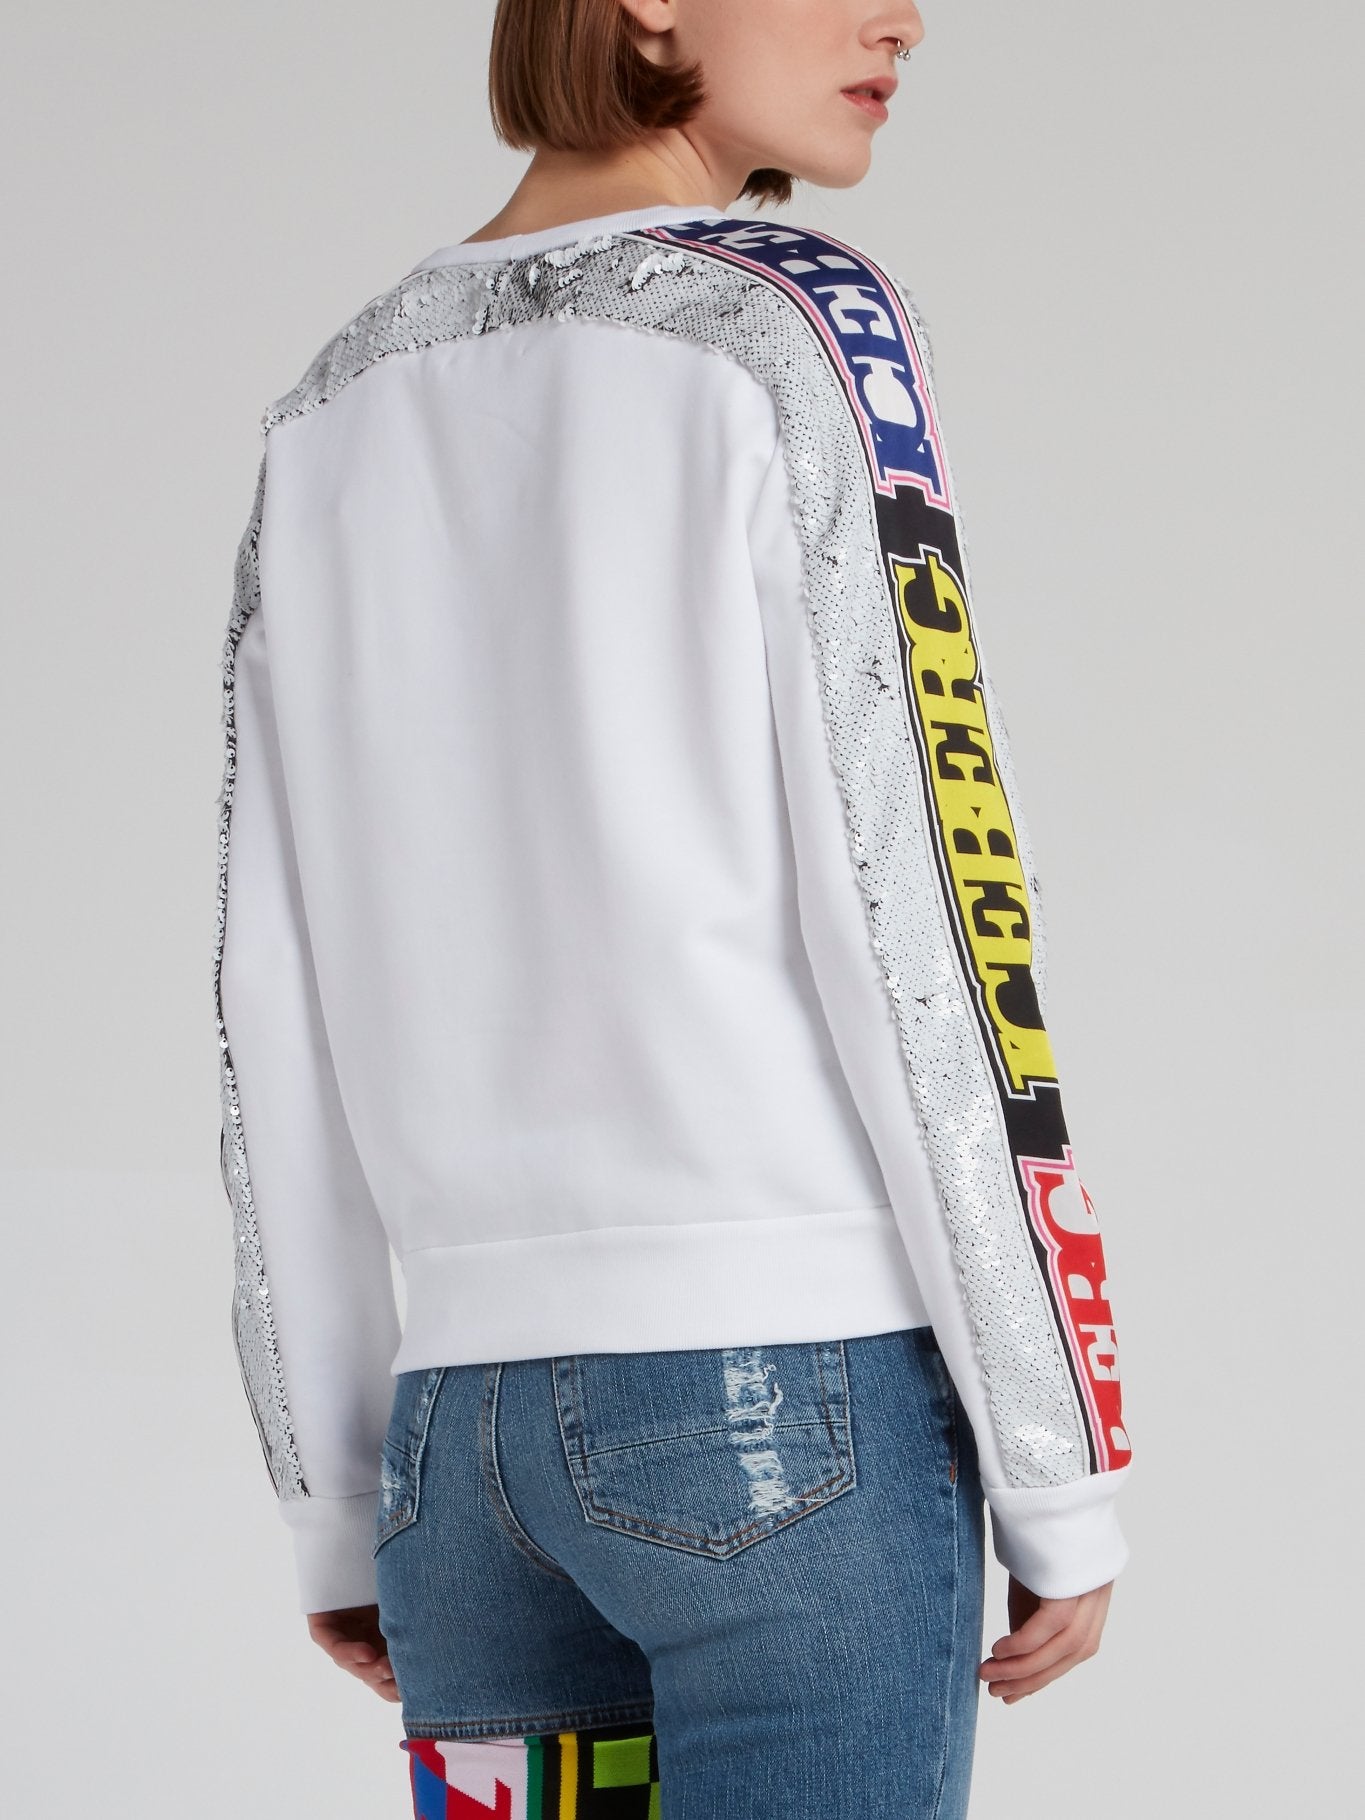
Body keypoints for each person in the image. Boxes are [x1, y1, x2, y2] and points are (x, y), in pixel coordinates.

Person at [213, 2, 1134, 1813]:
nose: (903, 17)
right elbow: (923, 889)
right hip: (783, 1400)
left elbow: (272, 992)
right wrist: (1059, 1453)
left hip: (458, 1451)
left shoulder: (330, 403)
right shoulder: (791, 316)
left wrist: (335, 1491)